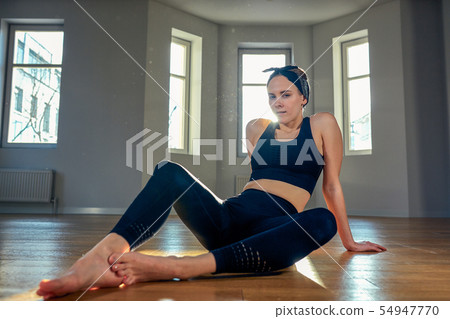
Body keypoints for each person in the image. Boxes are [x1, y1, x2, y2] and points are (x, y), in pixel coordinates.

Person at [36, 65, 386, 300]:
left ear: (303, 97)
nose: (278, 102)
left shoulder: (322, 123)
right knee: (169, 170)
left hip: (273, 224)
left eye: (287, 94)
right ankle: (98, 259)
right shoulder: (255, 128)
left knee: (322, 219)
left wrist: (349, 242)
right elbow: (258, 176)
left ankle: (176, 267)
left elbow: (331, 187)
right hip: (228, 218)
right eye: (272, 95)